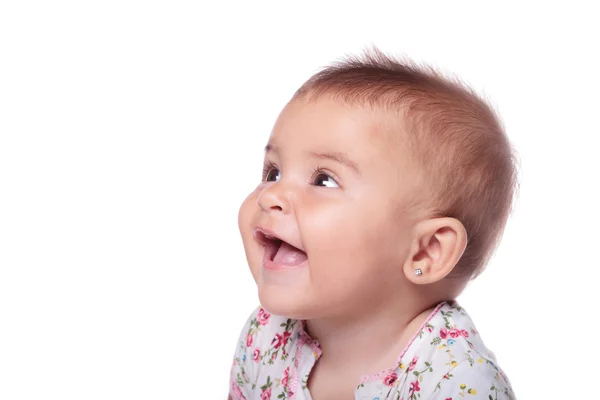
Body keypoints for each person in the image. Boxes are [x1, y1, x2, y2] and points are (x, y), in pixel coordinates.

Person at [229, 48, 518, 400]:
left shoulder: (455, 381)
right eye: (273, 172)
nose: (270, 195)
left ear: (426, 251)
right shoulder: (266, 335)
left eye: (324, 180)